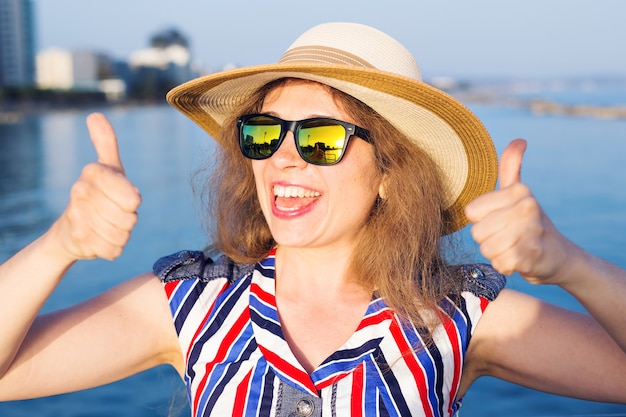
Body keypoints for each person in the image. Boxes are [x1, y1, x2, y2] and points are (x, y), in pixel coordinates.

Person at [0, 21, 625, 417]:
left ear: (388, 172)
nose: (284, 159)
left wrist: (569, 265)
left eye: (322, 139)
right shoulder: (190, 303)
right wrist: (60, 245)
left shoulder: (458, 316)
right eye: (264, 134)